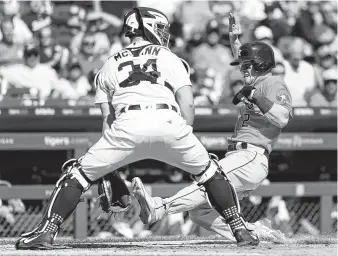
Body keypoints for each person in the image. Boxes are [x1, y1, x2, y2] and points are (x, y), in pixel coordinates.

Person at [15, 7, 258, 250]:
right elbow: (188, 104)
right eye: (160, 28)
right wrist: (182, 137)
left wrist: (109, 169)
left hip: (127, 123)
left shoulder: (109, 63)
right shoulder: (169, 56)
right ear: (148, 27)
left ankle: (46, 232)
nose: (164, 33)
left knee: (76, 175)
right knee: (210, 173)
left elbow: (107, 120)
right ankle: (240, 229)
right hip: (169, 120)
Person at [132, 12, 292, 243]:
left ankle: (159, 207)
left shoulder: (272, 82)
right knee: (200, 213)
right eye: (242, 65)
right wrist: (234, 37)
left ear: (261, 64)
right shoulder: (255, 81)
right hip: (240, 156)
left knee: (209, 180)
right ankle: (254, 232)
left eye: (248, 65)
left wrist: (257, 96)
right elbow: (241, 54)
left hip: (252, 156)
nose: (243, 69)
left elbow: (283, 117)